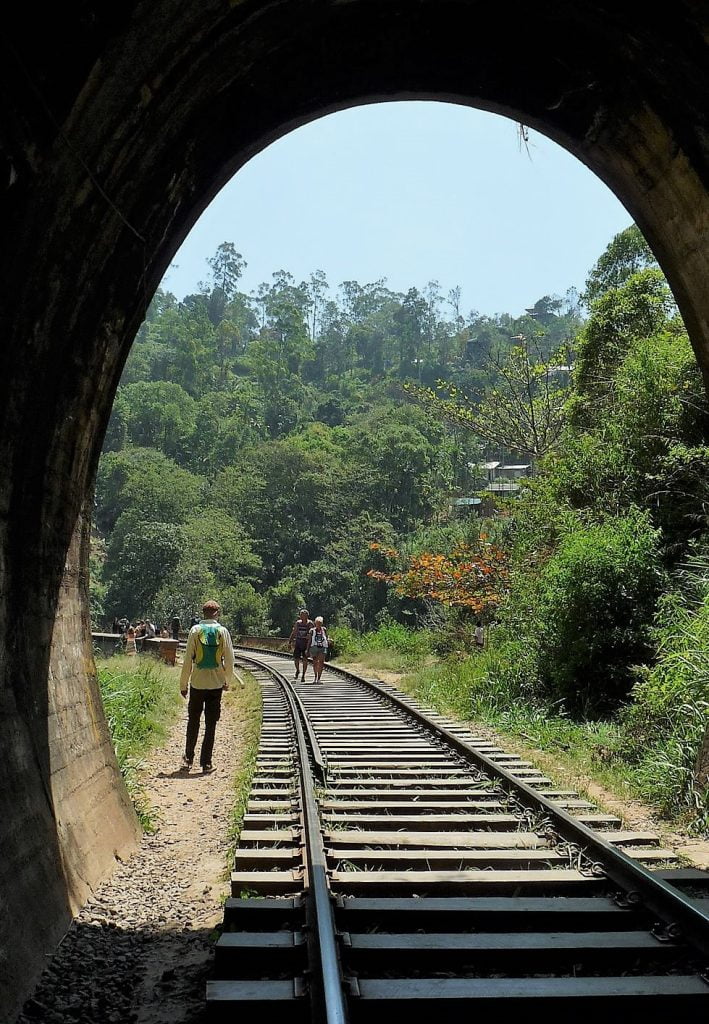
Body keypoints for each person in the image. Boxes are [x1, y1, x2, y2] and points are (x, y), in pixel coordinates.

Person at [179, 600, 234, 773]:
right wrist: (227, 680)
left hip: (197, 682)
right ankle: (206, 762)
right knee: (211, 723)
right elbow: (230, 660)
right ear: (217, 613)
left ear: (203, 613)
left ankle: (188, 758)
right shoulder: (222, 631)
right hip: (216, 684)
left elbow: (188, 659)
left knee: (193, 720)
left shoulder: (195, 631)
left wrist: (183, 684)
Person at [288, 608, 313, 681]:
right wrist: (290, 642)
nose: (302, 617)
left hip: (306, 643)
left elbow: (312, 633)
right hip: (298, 642)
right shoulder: (298, 623)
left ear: (307, 616)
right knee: (296, 658)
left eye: (303, 615)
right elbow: (294, 632)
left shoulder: (310, 623)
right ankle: (298, 670)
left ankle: (303, 675)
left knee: (305, 659)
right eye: (301, 615)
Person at [307, 616, 329, 684]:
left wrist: (329, 641)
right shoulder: (312, 630)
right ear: (315, 623)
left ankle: (319, 678)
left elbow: (326, 637)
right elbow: (310, 640)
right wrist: (307, 649)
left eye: (320, 623)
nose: (319, 624)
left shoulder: (324, 629)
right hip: (314, 647)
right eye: (317, 623)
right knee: (315, 663)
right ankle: (315, 677)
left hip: (322, 647)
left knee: (321, 662)